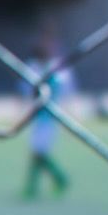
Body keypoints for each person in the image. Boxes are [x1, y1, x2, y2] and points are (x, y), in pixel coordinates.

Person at [23, 46, 73, 198]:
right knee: (36, 153)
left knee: (38, 154)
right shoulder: (39, 72)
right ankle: (34, 187)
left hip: (48, 118)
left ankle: (59, 179)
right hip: (39, 118)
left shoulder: (53, 75)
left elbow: (63, 93)